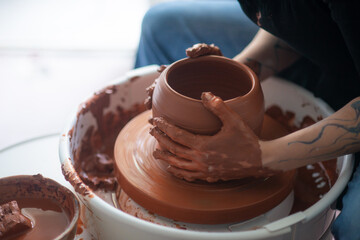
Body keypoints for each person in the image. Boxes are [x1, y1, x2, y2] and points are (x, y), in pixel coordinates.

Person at [134, 1, 360, 239]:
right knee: (161, 26)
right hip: (338, 50)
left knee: (355, 225)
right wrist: (234, 73)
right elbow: (303, 19)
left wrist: (262, 157)